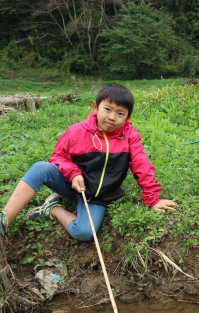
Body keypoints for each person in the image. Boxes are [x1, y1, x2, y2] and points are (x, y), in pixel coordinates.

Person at [0, 84, 177, 241]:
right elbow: (58, 157)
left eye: (120, 113)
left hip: (99, 198)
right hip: (74, 186)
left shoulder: (130, 137)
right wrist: (74, 173)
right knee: (40, 168)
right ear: (95, 107)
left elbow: (142, 165)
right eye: (107, 109)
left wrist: (152, 199)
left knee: (84, 232)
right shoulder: (77, 131)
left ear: (128, 117)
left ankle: (52, 208)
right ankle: (5, 220)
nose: (112, 117)